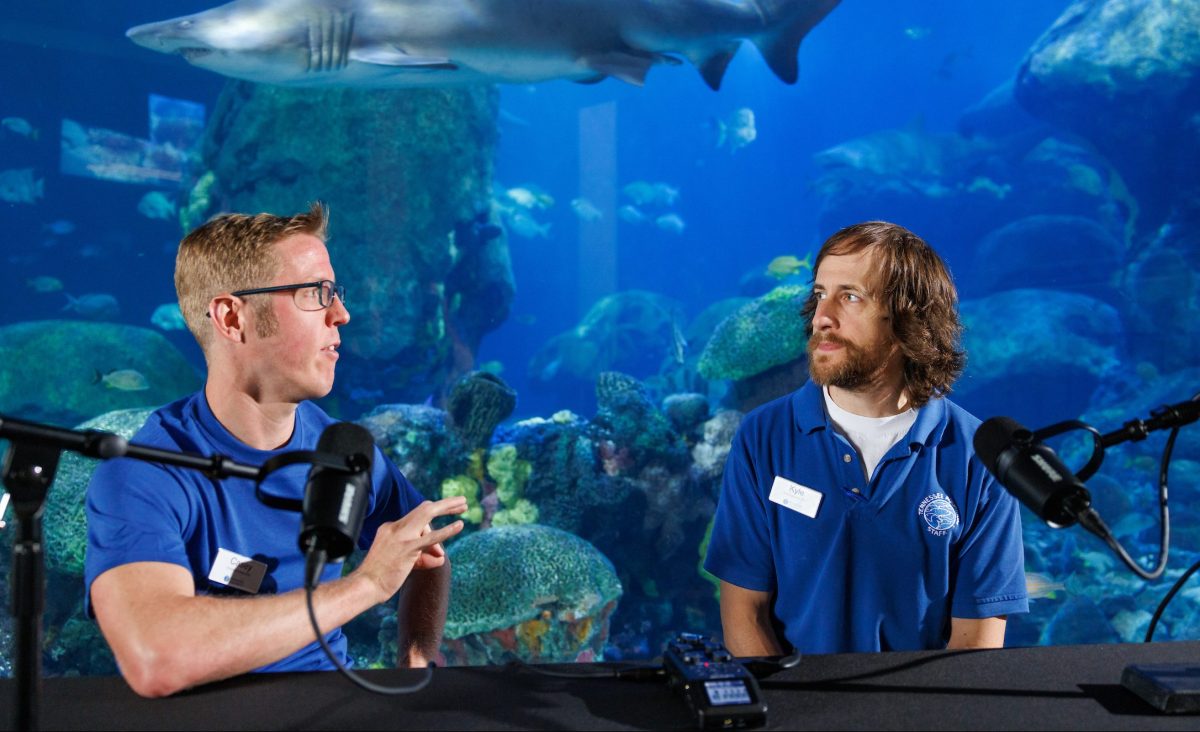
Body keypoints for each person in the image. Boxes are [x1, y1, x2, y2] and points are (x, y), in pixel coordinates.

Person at [84, 203, 467, 698]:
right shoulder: (144, 474)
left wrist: (413, 663)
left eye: (336, 293)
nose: (342, 315)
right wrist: (366, 586)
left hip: (333, 707)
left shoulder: (342, 449)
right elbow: (155, 659)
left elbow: (426, 552)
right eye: (315, 293)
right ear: (231, 317)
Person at [704, 221, 1028, 656]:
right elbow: (745, 613)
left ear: (909, 318)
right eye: (819, 294)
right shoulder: (762, 437)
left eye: (850, 296)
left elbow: (976, 648)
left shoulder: (980, 457)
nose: (822, 317)